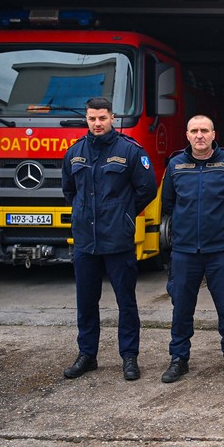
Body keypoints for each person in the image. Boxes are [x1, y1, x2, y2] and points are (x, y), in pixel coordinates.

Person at [61, 96, 157, 381]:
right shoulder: (75, 152)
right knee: (86, 301)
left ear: (112, 118)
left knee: (125, 301)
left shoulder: (129, 150)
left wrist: (124, 213)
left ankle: (129, 357)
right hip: (85, 241)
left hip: (117, 239)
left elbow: (147, 189)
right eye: (92, 118)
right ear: (86, 119)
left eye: (102, 118)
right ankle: (87, 355)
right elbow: (69, 190)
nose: (97, 123)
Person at [159, 115, 224, 383]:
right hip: (185, 250)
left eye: (205, 131)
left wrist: (221, 224)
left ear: (213, 134)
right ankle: (179, 359)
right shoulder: (176, 164)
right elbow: (169, 203)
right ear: (187, 135)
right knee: (181, 307)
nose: (200, 135)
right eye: (194, 131)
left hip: (220, 249)